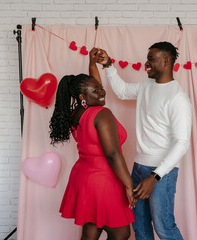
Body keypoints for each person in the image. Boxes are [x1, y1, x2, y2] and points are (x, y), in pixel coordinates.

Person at [97, 42, 192, 240]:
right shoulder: (146, 85)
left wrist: (155, 177)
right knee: (140, 227)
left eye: (151, 59)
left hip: (161, 173)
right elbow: (122, 91)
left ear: (166, 61)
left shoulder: (178, 98)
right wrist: (108, 65)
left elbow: (182, 143)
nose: (146, 63)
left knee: (164, 228)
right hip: (139, 167)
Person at [49, 48, 136, 240]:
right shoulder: (102, 114)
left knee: (92, 227)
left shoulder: (76, 113)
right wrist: (129, 184)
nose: (102, 91)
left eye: (100, 87)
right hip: (104, 181)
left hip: (83, 177)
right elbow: (113, 154)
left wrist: (92, 63)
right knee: (121, 233)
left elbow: (92, 86)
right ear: (83, 96)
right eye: (96, 90)